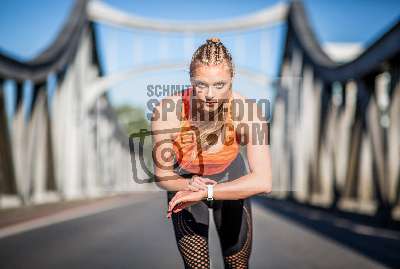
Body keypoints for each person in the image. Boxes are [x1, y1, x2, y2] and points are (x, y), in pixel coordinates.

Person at [151, 37, 272, 269]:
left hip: (230, 179)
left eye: (219, 85)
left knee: (237, 264)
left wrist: (207, 191)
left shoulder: (247, 112)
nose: (209, 94)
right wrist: (190, 187)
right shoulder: (167, 111)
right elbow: (162, 175)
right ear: (190, 80)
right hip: (186, 184)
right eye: (201, 84)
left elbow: (263, 181)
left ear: (232, 79)